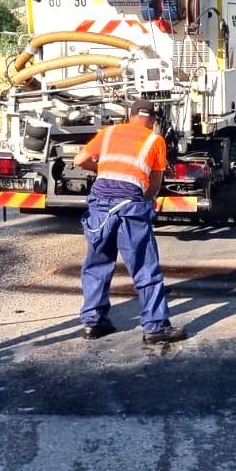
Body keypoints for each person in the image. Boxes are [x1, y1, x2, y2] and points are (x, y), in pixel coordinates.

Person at [71, 98, 188, 344]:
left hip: (99, 208)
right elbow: (154, 185)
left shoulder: (109, 132)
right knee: (145, 267)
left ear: (129, 116)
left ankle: (93, 323)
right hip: (129, 208)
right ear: (153, 119)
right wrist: (142, 201)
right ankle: (155, 327)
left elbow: (78, 161)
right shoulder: (155, 141)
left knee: (96, 265)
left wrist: (102, 171)